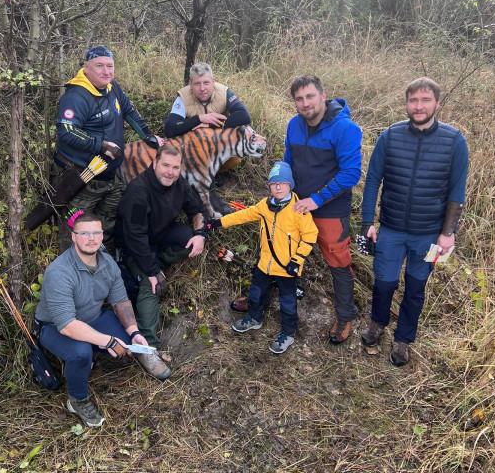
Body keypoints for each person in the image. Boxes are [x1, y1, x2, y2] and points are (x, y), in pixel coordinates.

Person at [359, 77, 469, 367]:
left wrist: (448, 233)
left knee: (415, 288)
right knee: (384, 284)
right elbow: (372, 181)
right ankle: (377, 324)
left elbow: (457, 192)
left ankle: (403, 339)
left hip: (428, 234)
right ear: (406, 103)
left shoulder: (455, 141)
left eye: (425, 100)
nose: (418, 106)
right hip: (391, 229)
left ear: (437, 103)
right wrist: (367, 221)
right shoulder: (390, 136)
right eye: (413, 100)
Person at [34, 212, 158, 428]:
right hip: (55, 327)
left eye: (96, 233)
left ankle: (139, 352)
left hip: (93, 318)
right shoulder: (59, 272)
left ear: (102, 235)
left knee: (126, 344)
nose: (91, 238)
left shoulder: (107, 262)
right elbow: (67, 325)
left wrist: (134, 333)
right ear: (74, 237)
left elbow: (120, 300)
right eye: (84, 233)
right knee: (81, 353)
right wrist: (107, 341)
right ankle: (78, 399)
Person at [54, 44, 163, 252]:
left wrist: (148, 135)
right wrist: (100, 145)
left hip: (110, 176)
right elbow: (66, 131)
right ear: (86, 68)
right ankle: (72, 268)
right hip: (81, 178)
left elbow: (129, 111)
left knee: (106, 225)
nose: (106, 71)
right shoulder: (76, 96)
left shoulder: (112, 87)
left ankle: (101, 259)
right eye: (99, 66)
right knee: (76, 230)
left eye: (110, 66)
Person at [114, 144, 208, 374]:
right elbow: (135, 237)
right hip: (133, 248)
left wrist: (200, 234)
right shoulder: (138, 191)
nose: (170, 172)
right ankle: (147, 348)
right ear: (155, 163)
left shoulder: (179, 183)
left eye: (175, 167)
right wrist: (152, 270)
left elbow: (197, 209)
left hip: (160, 236)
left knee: (189, 239)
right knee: (151, 285)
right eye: (165, 165)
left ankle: (160, 261)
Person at [284, 75, 362, 344]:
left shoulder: (344, 129)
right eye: (299, 99)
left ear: (322, 95)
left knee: (337, 260)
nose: (305, 103)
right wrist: (281, 189)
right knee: (281, 248)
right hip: (297, 203)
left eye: (310, 96)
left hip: (329, 208)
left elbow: (351, 173)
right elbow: (288, 162)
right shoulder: (294, 125)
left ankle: (345, 315)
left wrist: (317, 199)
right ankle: (268, 295)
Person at [209, 162, 318, 354]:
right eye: (273, 183)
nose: (277, 187)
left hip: (287, 268)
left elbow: (310, 236)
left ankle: (288, 333)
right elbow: (243, 215)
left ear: (289, 185)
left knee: (287, 302)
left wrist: (297, 260)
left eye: (282, 183)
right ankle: (254, 318)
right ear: (269, 186)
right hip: (264, 264)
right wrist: (218, 222)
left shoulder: (299, 209)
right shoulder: (264, 206)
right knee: (256, 293)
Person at [164, 62, 251, 142]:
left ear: (213, 81)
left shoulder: (224, 92)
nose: (202, 88)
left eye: (206, 83)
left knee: (235, 159)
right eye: (197, 84)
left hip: (221, 142)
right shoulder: (183, 97)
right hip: (194, 144)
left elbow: (244, 116)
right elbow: (170, 129)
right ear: (190, 84)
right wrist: (200, 118)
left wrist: (214, 124)